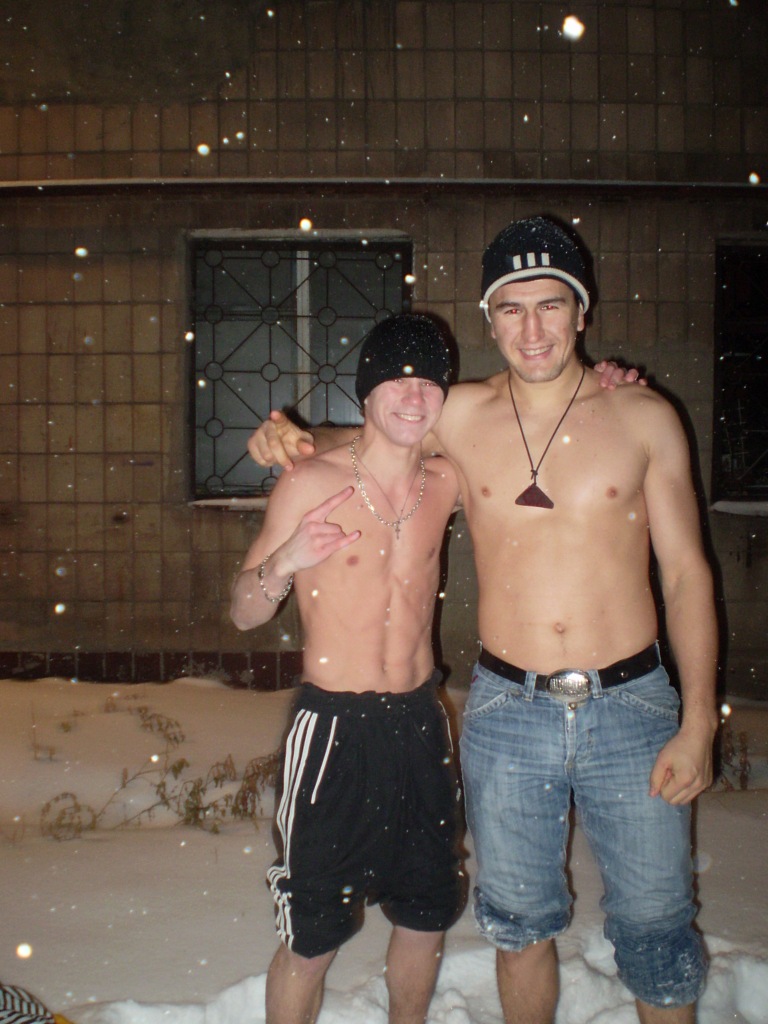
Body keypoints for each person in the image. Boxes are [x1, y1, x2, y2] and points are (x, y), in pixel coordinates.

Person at [247, 216, 717, 1024]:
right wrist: (290, 436)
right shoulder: (460, 415)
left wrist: (699, 720)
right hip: (509, 709)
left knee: (656, 932)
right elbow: (375, 436)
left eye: (550, 305)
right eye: (511, 309)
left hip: (632, 707)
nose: (532, 330)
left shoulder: (643, 416)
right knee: (519, 926)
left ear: (582, 310)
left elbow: (685, 575)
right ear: (489, 319)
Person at [231, 315, 468, 1024]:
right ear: (367, 392)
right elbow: (244, 612)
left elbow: (525, 424)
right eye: (397, 380)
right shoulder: (310, 482)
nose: (414, 396)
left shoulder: (448, 481)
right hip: (334, 726)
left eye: (429, 383)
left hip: (420, 720)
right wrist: (286, 561)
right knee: (313, 936)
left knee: (426, 914)